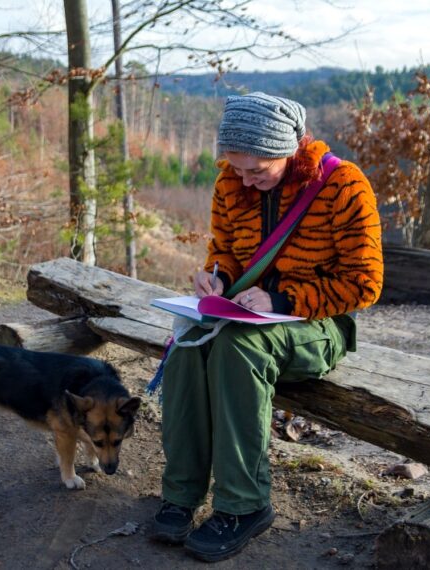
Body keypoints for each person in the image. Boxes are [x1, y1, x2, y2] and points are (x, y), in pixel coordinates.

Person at [148, 92, 384, 562]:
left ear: (289, 150)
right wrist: (217, 277)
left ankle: (244, 504)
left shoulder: (343, 186)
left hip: (318, 324)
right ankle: (181, 492)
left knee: (237, 348)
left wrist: (281, 300)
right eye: (237, 168)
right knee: (189, 340)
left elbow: (365, 283)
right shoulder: (231, 184)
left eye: (257, 171)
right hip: (245, 314)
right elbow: (228, 251)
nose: (245, 180)